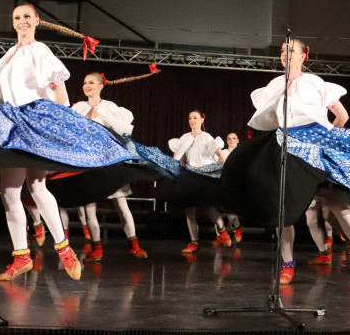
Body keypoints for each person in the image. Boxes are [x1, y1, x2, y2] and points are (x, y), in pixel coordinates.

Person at [0, 3, 138, 282]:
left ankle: (64, 249)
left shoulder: (40, 50)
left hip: (35, 121)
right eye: (16, 18)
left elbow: (60, 95)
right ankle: (21, 257)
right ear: (12, 23)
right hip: (11, 123)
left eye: (26, 16)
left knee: (36, 185)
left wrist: (57, 125)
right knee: (9, 192)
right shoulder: (10, 55)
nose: (22, 21)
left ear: (37, 20)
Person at [222, 38, 350, 284]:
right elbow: (269, 119)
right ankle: (288, 264)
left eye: (290, 50)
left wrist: (327, 139)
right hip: (287, 143)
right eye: (282, 51)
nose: (285, 54)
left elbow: (342, 116)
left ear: (303, 56)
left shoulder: (315, 82)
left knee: (337, 201)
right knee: (284, 209)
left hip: (316, 139)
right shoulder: (274, 85)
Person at [71, 70, 160, 261]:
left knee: (121, 204)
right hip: (87, 161)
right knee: (89, 207)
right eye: (85, 82)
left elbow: (123, 130)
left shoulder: (110, 107)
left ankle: (134, 245)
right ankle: (96, 249)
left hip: (109, 159)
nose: (87, 85)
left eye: (92, 82)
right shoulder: (78, 107)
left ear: (101, 86)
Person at [169, 110, 230, 254]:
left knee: (207, 205)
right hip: (191, 174)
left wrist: (217, 170)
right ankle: (194, 242)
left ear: (202, 120)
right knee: (189, 210)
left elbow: (221, 157)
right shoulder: (184, 138)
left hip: (205, 174)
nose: (192, 120)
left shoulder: (207, 137)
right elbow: (180, 160)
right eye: (190, 118)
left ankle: (222, 230)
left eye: (195, 118)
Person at [219, 132, 244, 243]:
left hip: (236, 184)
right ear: (226, 141)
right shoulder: (222, 152)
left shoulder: (242, 152)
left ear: (238, 140)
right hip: (222, 183)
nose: (231, 140)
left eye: (234, 138)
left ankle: (238, 227)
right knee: (217, 210)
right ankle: (220, 235)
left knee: (230, 212)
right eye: (229, 138)